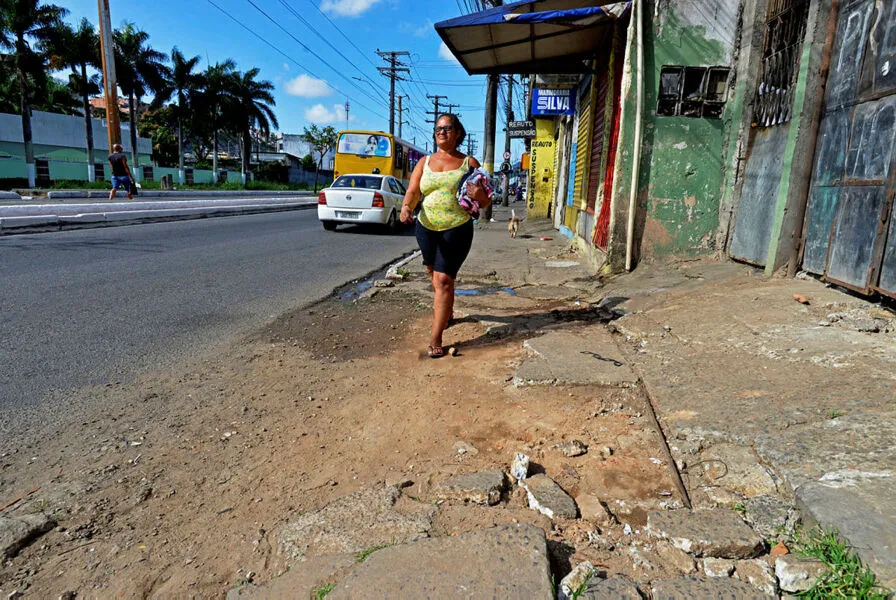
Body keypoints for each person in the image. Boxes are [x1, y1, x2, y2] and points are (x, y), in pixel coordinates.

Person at [400, 114, 491, 359]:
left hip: (457, 228)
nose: (441, 132)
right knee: (433, 273)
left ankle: (436, 337)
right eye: (438, 128)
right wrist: (407, 206)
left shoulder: (469, 162)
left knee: (443, 280)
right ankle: (447, 311)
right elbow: (413, 190)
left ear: (458, 133)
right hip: (426, 228)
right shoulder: (424, 162)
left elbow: (485, 202)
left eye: (447, 128)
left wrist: (478, 193)